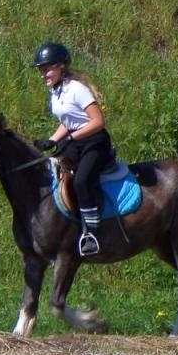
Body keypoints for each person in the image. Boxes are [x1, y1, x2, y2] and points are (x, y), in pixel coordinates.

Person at [32, 41, 113, 257]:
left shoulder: (77, 89)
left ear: (61, 66)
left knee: (81, 180)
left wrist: (70, 138)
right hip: (75, 142)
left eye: (47, 69)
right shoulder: (56, 92)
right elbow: (68, 121)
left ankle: (92, 233)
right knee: (55, 172)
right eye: (41, 70)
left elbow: (98, 122)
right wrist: (52, 140)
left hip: (94, 142)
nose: (43, 74)